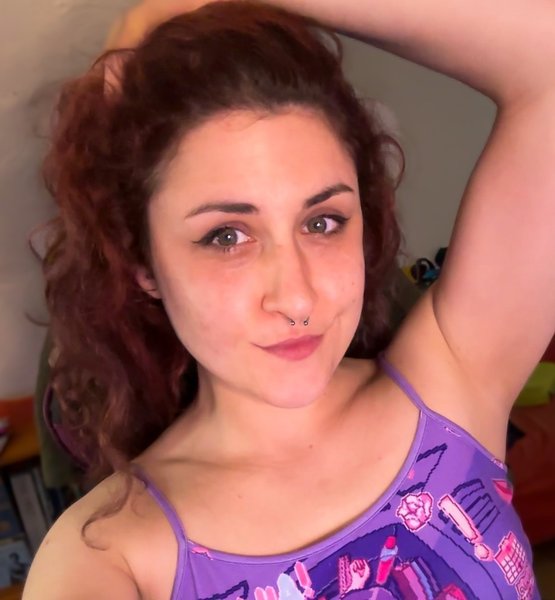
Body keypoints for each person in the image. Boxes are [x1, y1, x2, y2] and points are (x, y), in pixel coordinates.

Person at [23, 0, 555, 598]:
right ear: (142, 263)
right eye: (227, 236)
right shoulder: (110, 557)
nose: (297, 297)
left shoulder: (454, 386)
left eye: (322, 222)